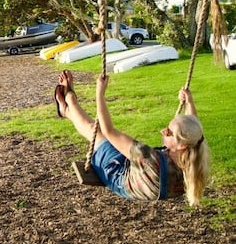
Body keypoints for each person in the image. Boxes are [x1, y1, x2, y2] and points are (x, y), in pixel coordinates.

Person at [54, 70, 210, 206]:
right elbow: (193, 129)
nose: (163, 131)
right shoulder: (195, 158)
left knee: (96, 132)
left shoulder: (149, 159)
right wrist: (189, 101)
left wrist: (99, 93)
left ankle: (69, 103)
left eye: (168, 132)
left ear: (182, 145)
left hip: (118, 175)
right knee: (103, 135)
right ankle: (67, 110)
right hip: (147, 178)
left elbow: (109, 130)